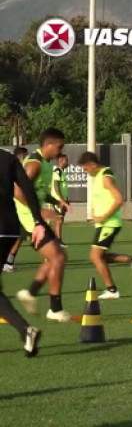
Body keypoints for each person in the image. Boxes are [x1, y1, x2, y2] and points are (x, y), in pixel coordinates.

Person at [14, 128, 72, 322]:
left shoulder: (46, 164)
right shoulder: (34, 164)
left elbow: (37, 191)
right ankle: (55, 309)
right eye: (59, 146)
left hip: (34, 218)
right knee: (57, 258)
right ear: (48, 145)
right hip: (29, 219)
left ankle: (30, 293)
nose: (61, 151)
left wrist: (56, 202)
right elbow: (17, 190)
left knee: (57, 256)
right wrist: (38, 213)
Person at [77, 152, 132, 299]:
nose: (85, 172)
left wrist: (103, 217)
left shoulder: (106, 176)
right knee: (98, 257)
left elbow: (119, 199)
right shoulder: (100, 175)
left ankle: (112, 290)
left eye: (86, 169)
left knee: (95, 256)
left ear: (93, 165)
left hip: (109, 223)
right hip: (104, 224)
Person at [0, 148, 45, 356]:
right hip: (10, 230)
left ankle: (25, 329)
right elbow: (28, 189)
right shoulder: (8, 158)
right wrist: (38, 221)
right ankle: (26, 332)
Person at [4, 146, 29, 273]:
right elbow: (16, 190)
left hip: (20, 210)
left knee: (19, 236)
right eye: (26, 156)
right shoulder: (15, 168)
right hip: (19, 210)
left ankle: (9, 260)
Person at [50, 153, 70, 247]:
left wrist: (66, 199)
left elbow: (63, 187)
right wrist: (61, 200)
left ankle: (57, 239)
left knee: (60, 219)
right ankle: (57, 240)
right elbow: (56, 185)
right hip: (57, 200)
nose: (68, 162)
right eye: (66, 161)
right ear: (61, 161)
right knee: (58, 220)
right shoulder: (57, 171)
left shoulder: (62, 171)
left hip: (62, 200)